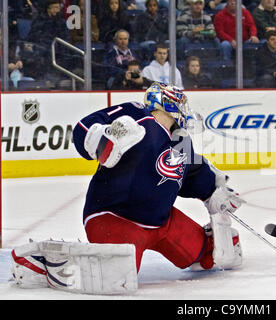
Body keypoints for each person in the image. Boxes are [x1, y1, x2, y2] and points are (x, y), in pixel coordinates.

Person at [10, 82, 245, 294]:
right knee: (114, 274)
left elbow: (193, 175)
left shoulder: (181, 142)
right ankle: (45, 263)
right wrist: (104, 140)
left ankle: (210, 244)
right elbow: (85, 127)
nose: (184, 111)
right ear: (168, 103)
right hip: (114, 217)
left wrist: (215, 191)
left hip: (163, 223)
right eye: (181, 104)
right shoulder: (137, 115)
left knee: (204, 256)